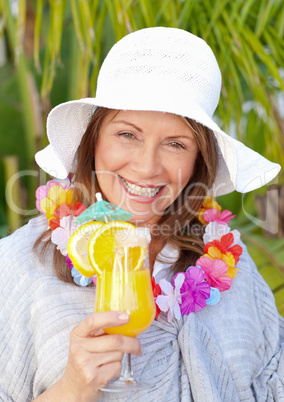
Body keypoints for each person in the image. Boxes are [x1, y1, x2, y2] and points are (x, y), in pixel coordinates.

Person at [0, 26, 283, 402]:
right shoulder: (19, 265)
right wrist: (70, 390)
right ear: (94, 138)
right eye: (127, 135)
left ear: (199, 160)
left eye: (175, 143)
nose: (147, 167)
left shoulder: (233, 264)